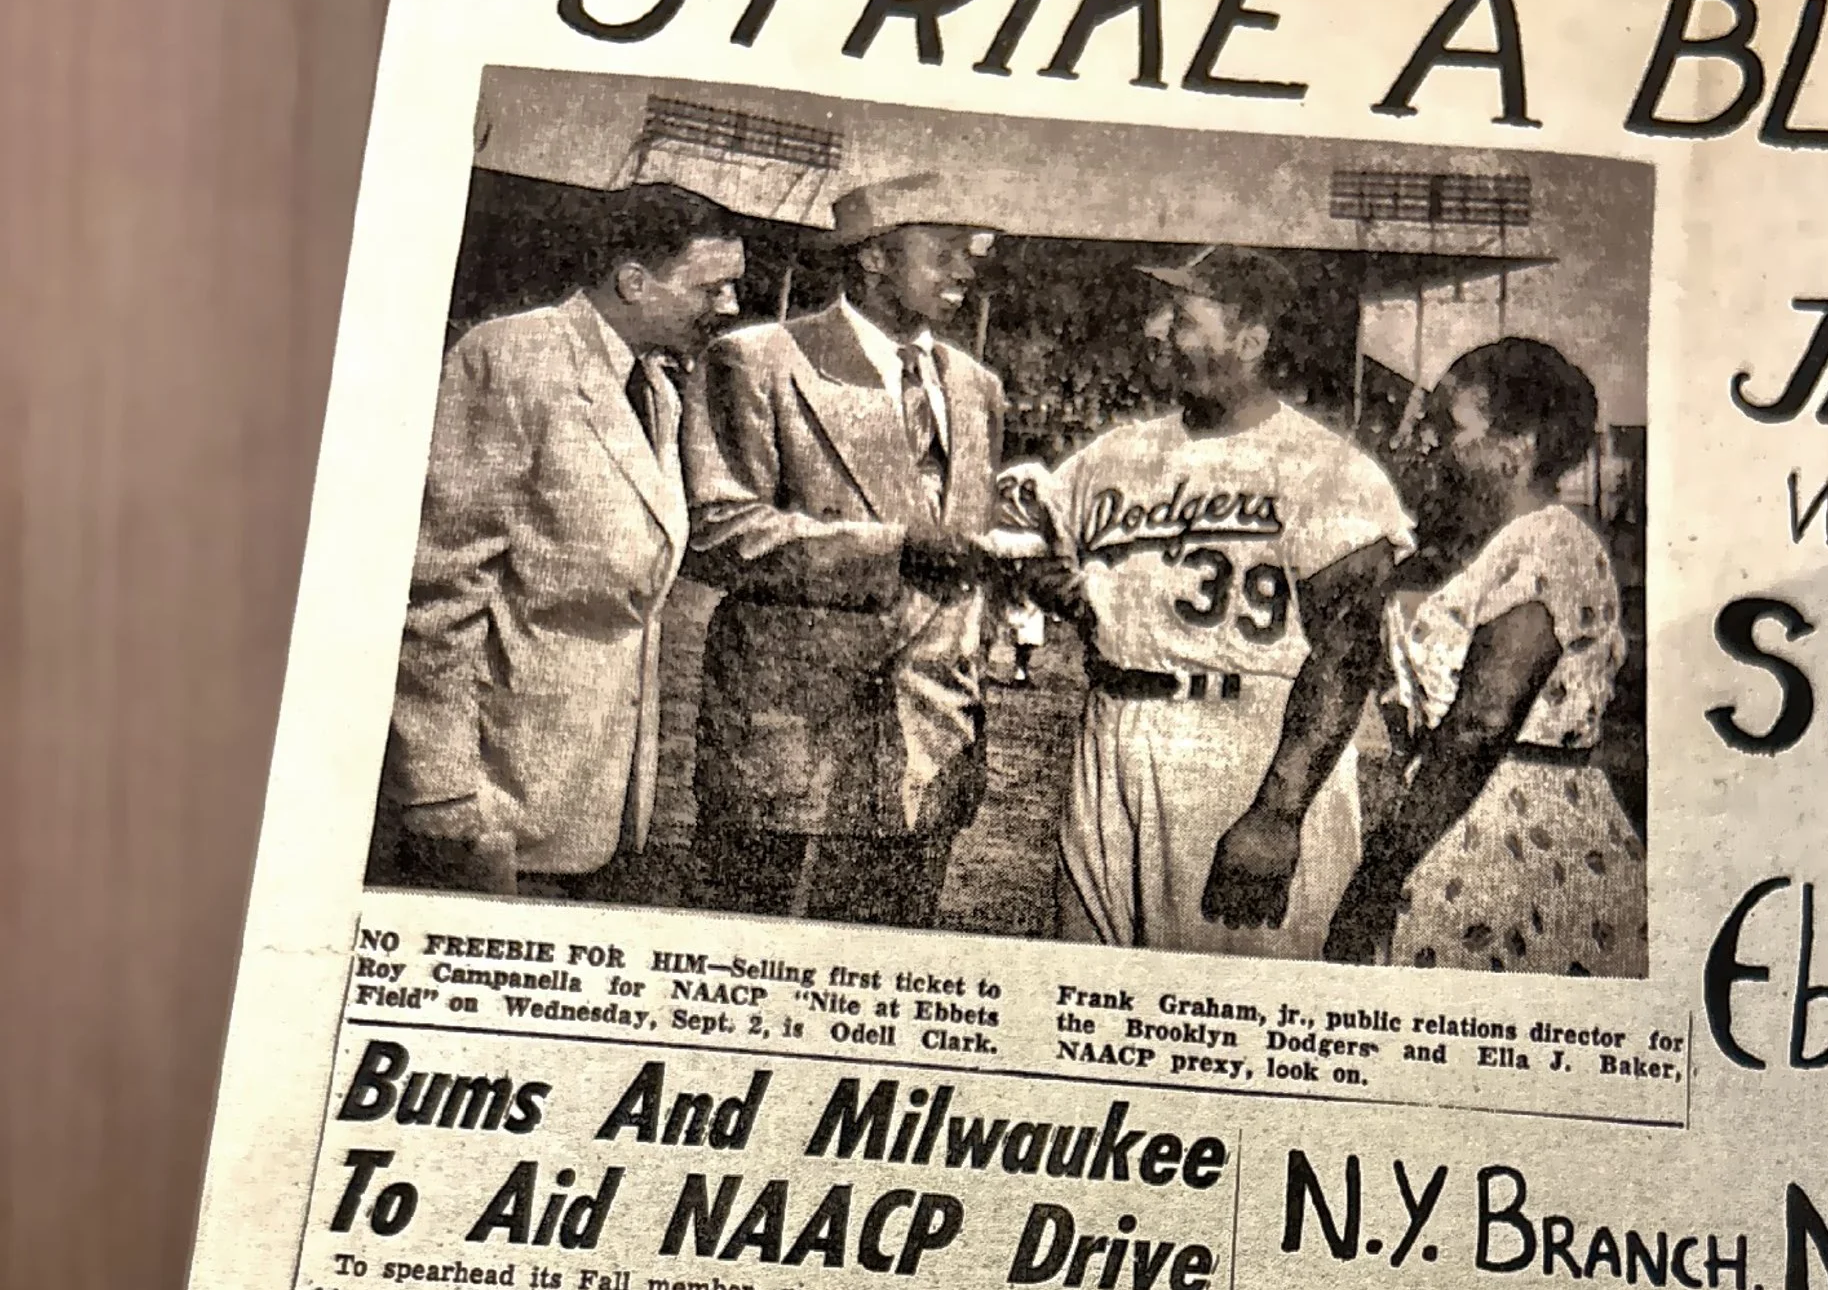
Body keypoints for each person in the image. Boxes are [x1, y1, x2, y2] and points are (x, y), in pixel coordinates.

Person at [1036, 246, 1410, 960]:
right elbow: (1034, 545)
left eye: (1180, 318)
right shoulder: (1113, 454)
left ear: (1251, 340)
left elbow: (1347, 652)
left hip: (1237, 744)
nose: (1155, 330)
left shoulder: (1328, 468)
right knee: (1083, 981)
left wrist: (1277, 812)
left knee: (1227, 989)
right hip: (1109, 729)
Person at [377, 184, 743, 896]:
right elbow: (437, 590)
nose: (728, 308)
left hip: (594, 812)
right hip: (494, 807)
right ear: (633, 281)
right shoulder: (515, 358)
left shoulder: (657, 391)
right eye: (712, 287)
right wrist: (443, 794)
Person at [682, 172, 1008, 929]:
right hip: (787, 742)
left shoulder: (976, 386)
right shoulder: (758, 360)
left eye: (973, 251)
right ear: (874, 259)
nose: (966, 269)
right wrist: (892, 550)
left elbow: (971, 560)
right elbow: (720, 531)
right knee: (750, 964)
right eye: (945, 249)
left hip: (928, 746)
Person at [1323, 338, 1645, 977]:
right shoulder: (1463, 547)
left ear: (1517, 447)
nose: (1428, 445)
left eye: (1450, 429)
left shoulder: (1554, 544)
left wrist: (1378, 875)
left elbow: (1481, 724)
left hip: (1517, 835)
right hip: (1446, 818)